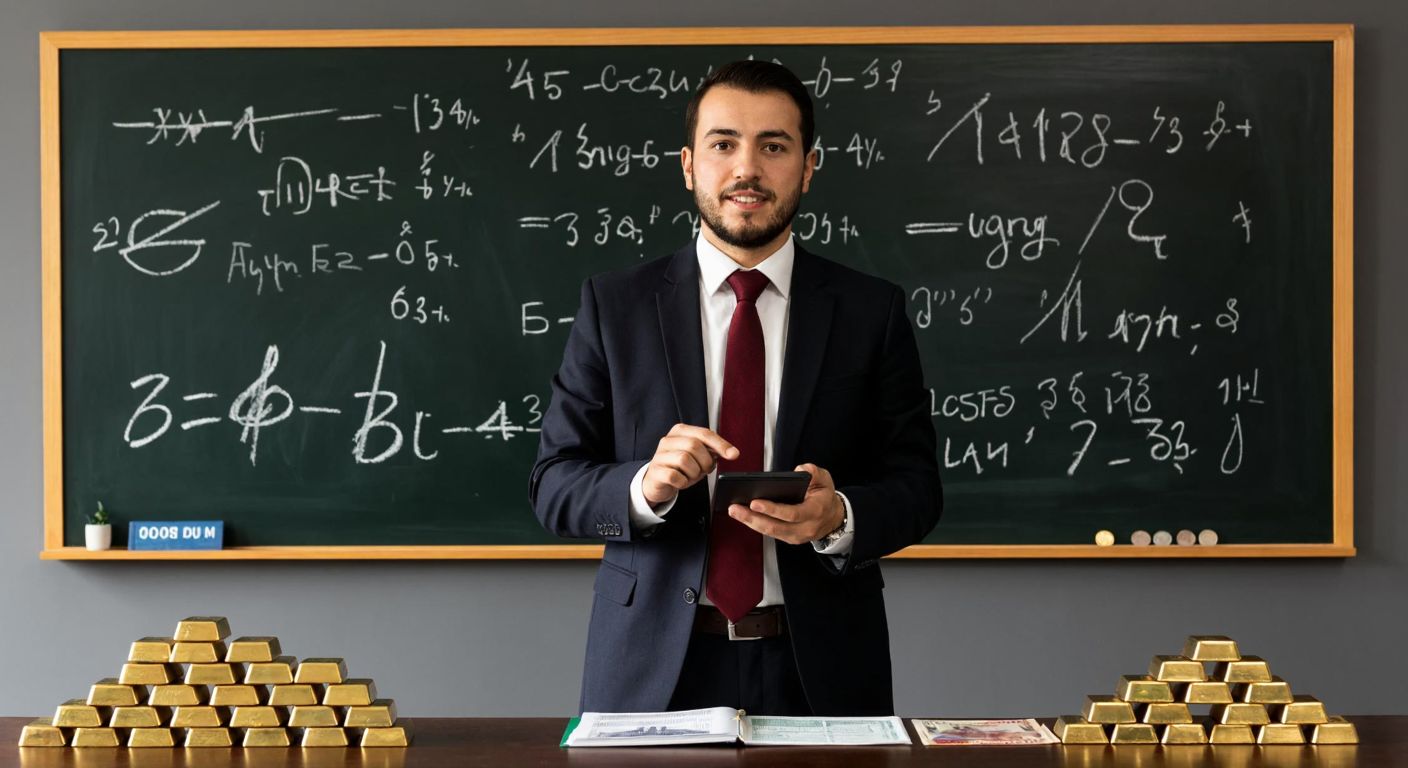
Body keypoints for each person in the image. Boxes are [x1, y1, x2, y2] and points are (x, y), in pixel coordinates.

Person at [529, 60, 940, 717]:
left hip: (822, 670)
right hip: (651, 669)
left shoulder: (871, 311)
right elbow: (553, 484)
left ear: (808, 167)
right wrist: (645, 487)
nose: (746, 169)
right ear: (689, 164)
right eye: (723, 144)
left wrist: (839, 517)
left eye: (773, 146)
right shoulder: (615, 306)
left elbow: (919, 488)